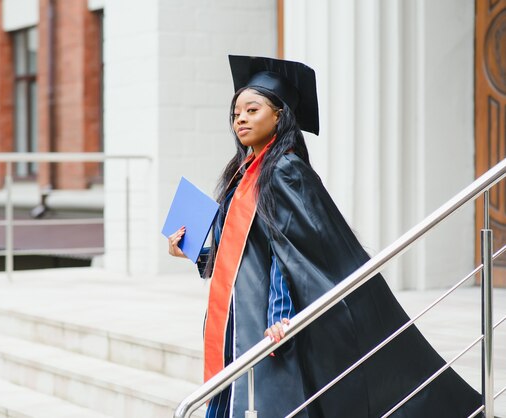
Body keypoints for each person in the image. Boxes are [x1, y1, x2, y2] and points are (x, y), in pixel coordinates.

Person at [167, 55, 480, 417]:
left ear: (279, 116)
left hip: (268, 322)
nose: (240, 119)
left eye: (252, 110)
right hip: (237, 317)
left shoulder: (285, 170)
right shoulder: (242, 173)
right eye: (236, 113)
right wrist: (193, 252)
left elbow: (292, 253)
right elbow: (247, 252)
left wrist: (281, 314)